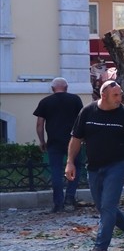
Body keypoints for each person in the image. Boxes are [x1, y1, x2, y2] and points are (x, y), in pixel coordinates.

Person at [65, 79, 124, 251]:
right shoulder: (87, 111)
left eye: (120, 95)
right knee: (103, 207)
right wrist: (70, 162)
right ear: (103, 95)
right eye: (116, 95)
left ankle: (101, 247)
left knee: (108, 206)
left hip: (117, 165)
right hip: (94, 166)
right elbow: (76, 139)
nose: (119, 98)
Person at [33, 77, 84, 212]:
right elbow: (81, 119)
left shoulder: (45, 102)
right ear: (66, 88)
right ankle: (70, 198)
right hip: (73, 140)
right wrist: (82, 137)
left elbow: (39, 124)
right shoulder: (75, 100)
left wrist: (42, 141)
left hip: (54, 141)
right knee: (76, 168)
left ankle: (58, 203)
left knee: (56, 171)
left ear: (52, 89)